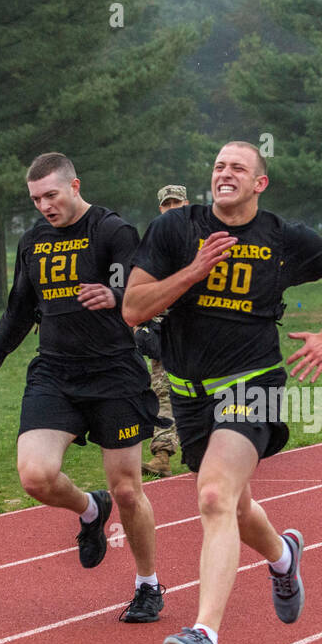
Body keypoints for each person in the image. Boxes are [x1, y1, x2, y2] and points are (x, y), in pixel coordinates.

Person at [124, 140, 322, 644]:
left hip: (254, 384)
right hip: (188, 391)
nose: (224, 174)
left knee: (212, 494)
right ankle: (283, 557)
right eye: (217, 166)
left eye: (238, 167)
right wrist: (192, 271)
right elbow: (134, 309)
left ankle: (204, 635)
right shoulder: (174, 230)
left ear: (260, 183)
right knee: (233, 506)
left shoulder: (282, 237)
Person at [0, 153, 166, 623]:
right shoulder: (34, 241)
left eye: (51, 195)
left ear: (74, 185)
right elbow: (20, 306)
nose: (43, 206)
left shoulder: (112, 231)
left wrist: (115, 296)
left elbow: (142, 291)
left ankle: (148, 585)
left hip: (114, 373)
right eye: (35, 198)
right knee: (34, 476)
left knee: (127, 489)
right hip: (55, 372)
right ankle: (88, 510)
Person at [138, 184, 187, 477]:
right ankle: (163, 454)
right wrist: (146, 323)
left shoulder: (201, 238)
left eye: (176, 203)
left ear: (186, 204)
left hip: (202, 332)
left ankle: (212, 446)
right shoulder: (153, 243)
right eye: (167, 204)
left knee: (210, 391)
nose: (172, 208)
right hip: (165, 333)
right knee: (163, 392)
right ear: (160, 208)